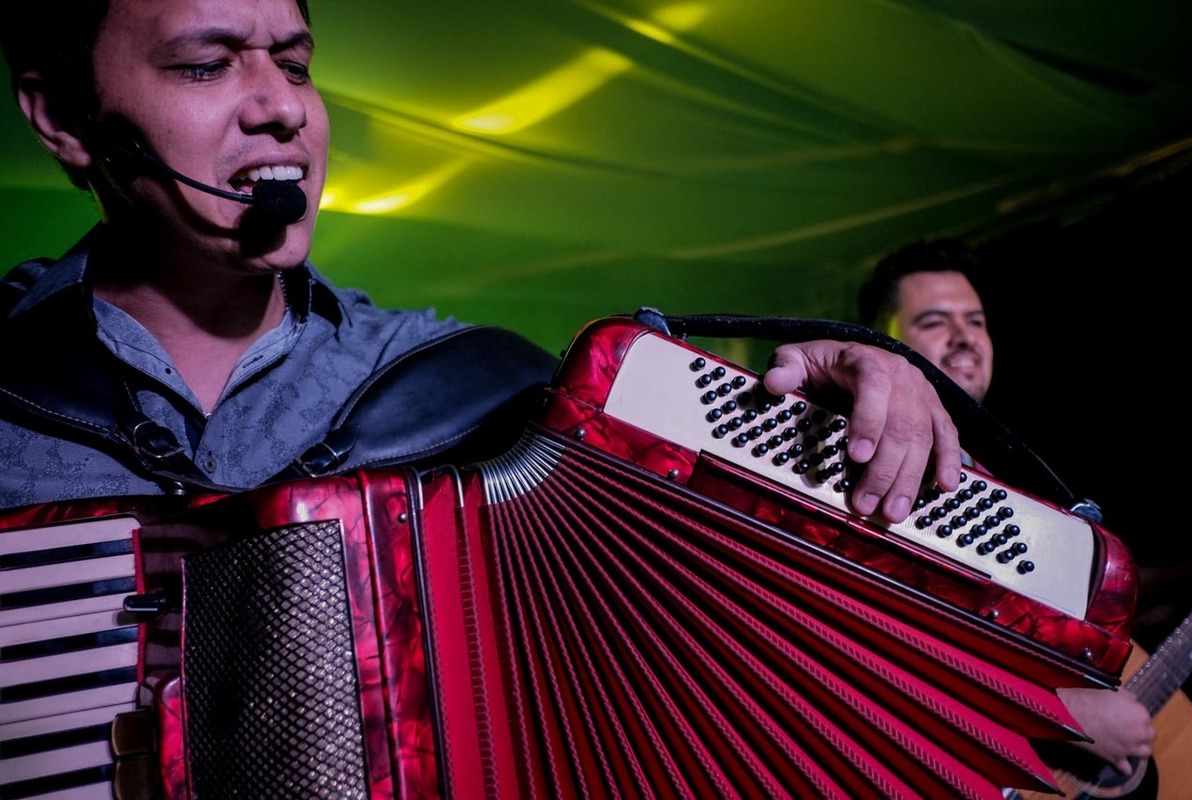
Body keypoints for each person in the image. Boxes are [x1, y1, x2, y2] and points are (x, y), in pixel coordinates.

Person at [0, 1, 969, 797]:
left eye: (295, 64)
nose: (282, 107)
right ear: (63, 118)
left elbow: (768, 629)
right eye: (204, 66)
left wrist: (839, 415)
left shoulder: (485, 392)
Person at [857, 237, 1156, 778]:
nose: (964, 336)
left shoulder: (1010, 482)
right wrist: (1056, 711)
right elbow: (862, 637)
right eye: (934, 321)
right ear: (882, 341)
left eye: (975, 320)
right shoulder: (864, 451)